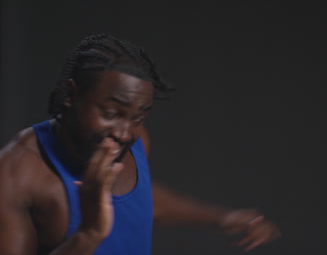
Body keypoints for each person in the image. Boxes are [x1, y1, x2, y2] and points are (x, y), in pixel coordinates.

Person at [0, 34, 281, 254]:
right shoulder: (17, 172)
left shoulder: (135, 140)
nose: (124, 133)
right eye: (111, 114)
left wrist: (221, 217)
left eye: (138, 117)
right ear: (72, 94)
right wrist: (89, 235)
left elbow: (141, 199)